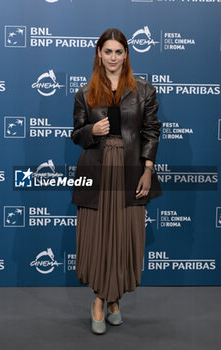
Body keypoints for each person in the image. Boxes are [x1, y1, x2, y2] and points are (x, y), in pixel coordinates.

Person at [71, 28, 162, 334]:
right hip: (96, 171)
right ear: (98, 53)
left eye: (118, 52)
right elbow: (77, 135)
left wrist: (148, 169)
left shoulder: (145, 91)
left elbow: (151, 131)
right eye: (107, 51)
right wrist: (91, 132)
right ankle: (100, 300)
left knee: (125, 237)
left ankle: (115, 299)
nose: (112, 57)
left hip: (130, 170)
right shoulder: (84, 93)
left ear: (126, 55)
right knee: (98, 237)